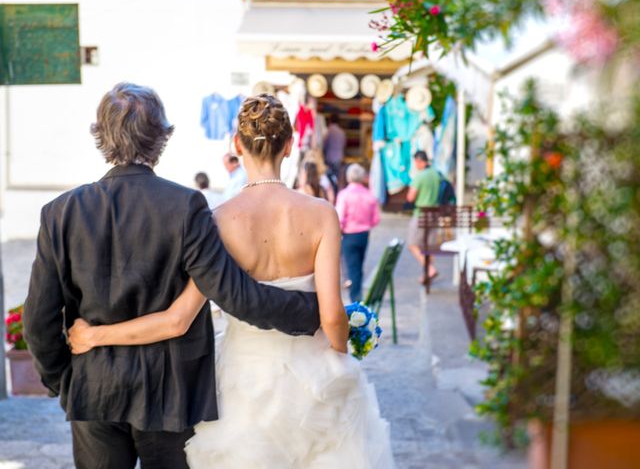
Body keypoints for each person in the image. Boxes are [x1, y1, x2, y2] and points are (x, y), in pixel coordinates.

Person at [68, 94, 395, 468]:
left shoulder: (218, 220)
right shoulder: (322, 214)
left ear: (237, 146)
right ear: (289, 145)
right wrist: (339, 359)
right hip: (317, 371)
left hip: (245, 382)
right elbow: (333, 316)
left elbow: (179, 318)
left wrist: (96, 336)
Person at [22, 83, 320, 469]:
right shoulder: (186, 206)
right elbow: (236, 295)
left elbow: (38, 321)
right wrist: (315, 310)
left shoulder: (61, 212)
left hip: (94, 384)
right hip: (171, 391)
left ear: (101, 136)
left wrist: (65, 382)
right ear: (162, 137)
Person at [335, 164, 381, 302]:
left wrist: (340, 230)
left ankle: (356, 299)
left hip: (349, 235)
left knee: (352, 266)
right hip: (364, 235)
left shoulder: (344, 195)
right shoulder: (369, 195)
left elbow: (339, 217)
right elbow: (376, 219)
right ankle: (357, 293)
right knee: (358, 265)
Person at [406, 150, 440, 282]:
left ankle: (430, 269)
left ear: (419, 161)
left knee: (413, 244)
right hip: (435, 213)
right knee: (429, 246)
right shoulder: (435, 174)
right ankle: (427, 272)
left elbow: (410, 197)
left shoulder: (420, 176)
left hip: (421, 214)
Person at [323, 113, 346, 180]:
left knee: (329, 180)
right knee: (338, 179)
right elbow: (344, 146)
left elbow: (324, 145)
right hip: (339, 158)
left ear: (330, 120)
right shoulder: (342, 132)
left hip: (329, 159)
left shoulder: (328, 131)